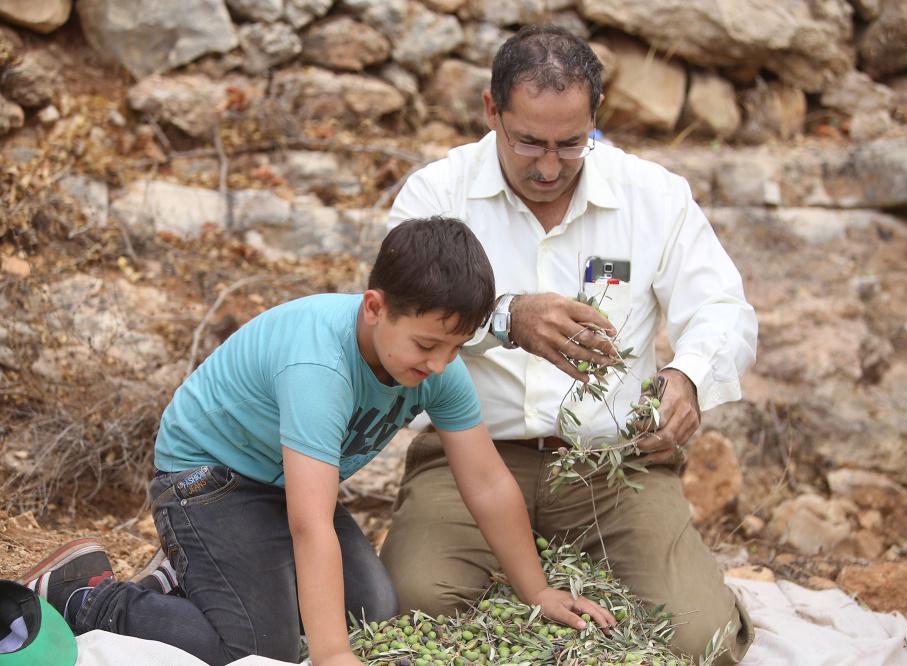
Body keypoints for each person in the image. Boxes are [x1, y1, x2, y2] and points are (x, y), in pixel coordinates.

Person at [16, 217, 615, 666]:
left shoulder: (437, 368)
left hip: (283, 483)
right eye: (427, 345)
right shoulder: (320, 368)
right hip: (207, 480)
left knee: (373, 612)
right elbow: (310, 524)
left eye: (456, 347)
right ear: (375, 307)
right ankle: (85, 596)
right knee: (259, 650)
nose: (439, 364)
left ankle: (194, 575)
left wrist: (537, 590)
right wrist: (331, 657)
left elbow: (486, 481)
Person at [380, 26, 758, 665]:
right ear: (491, 109)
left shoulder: (653, 196)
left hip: (613, 468)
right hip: (468, 458)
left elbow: (724, 308)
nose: (549, 167)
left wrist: (689, 377)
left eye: (571, 143)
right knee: (410, 604)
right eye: (528, 141)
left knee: (699, 638)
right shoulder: (437, 192)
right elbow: (396, 314)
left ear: (596, 115)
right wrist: (505, 316)